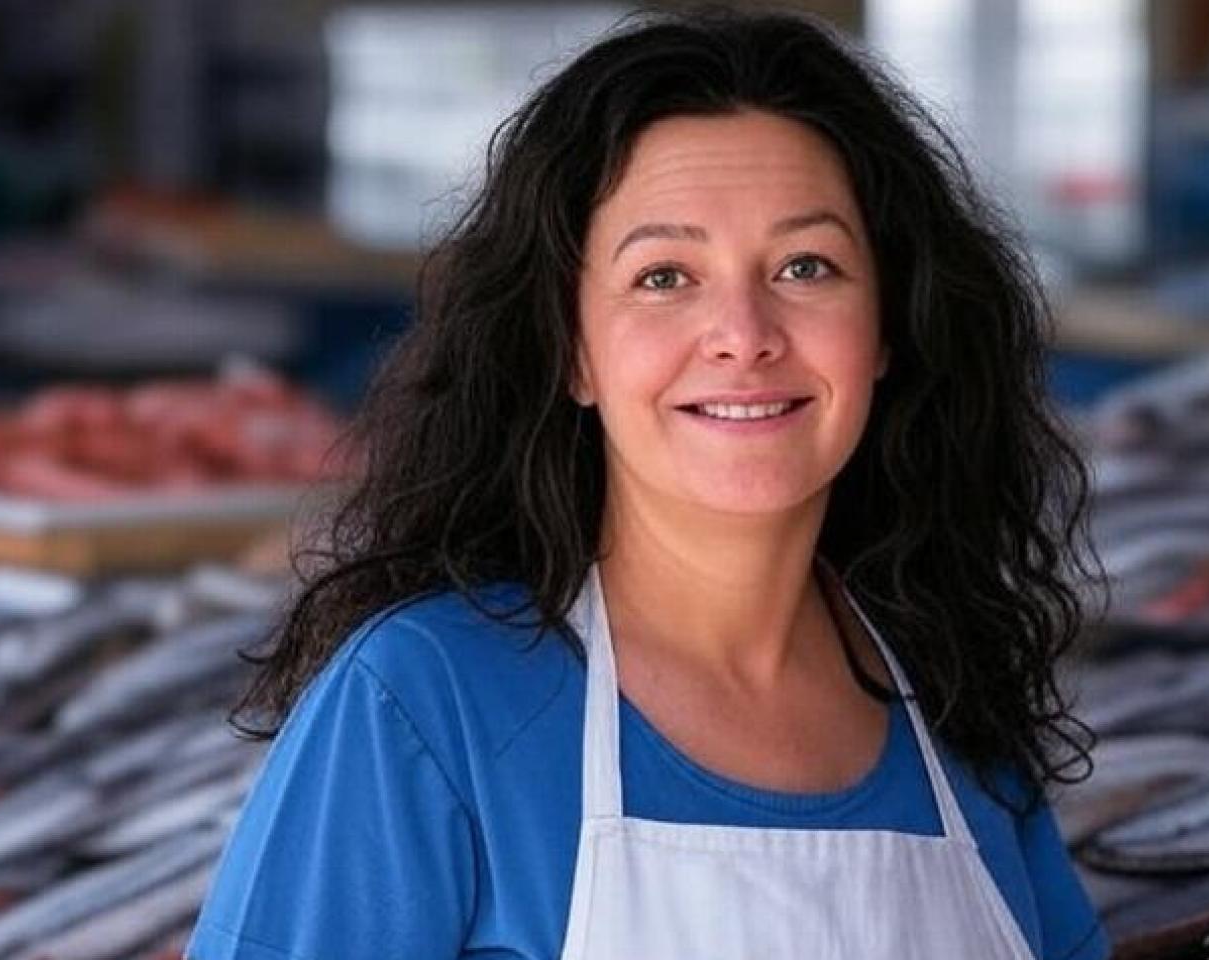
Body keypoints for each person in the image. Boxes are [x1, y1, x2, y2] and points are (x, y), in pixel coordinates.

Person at [188, 8, 1105, 959]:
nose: (743, 333)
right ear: (572, 352)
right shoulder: (425, 702)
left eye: (806, 265)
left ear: (886, 331)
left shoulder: (956, 715)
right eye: (665, 276)